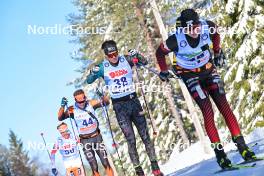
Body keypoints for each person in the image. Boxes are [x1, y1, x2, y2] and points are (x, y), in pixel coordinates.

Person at [155, 8, 256, 169]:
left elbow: (215, 33)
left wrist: (217, 51)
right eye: (189, 28)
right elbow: (160, 53)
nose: (194, 30)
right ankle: (221, 155)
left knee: (224, 106)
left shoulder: (206, 26)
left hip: (209, 70)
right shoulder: (176, 39)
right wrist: (163, 70)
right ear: (183, 28)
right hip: (190, 75)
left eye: (196, 26)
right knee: (208, 110)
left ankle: (243, 148)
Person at [86, 40, 163, 176]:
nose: (114, 57)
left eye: (115, 53)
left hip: (133, 101)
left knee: (145, 136)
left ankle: (155, 168)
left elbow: (144, 62)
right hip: (119, 106)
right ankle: (139, 172)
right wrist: (93, 72)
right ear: (106, 56)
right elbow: (89, 80)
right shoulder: (103, 67)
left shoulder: (126, 59)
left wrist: (137, 55)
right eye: (110, 55)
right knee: (131, 139)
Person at [58, 89, 114, 176]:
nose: (82, 103)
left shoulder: (91, 103)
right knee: (94, 166)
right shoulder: (72, 109)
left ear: (85, 97)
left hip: (97, 137)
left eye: (83, 101)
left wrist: (101, 96)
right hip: (85, 141)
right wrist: (62, 106)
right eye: (79, 102)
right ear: (75, 100)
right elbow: (60, 118)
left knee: (105, 162)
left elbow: (106, 102)